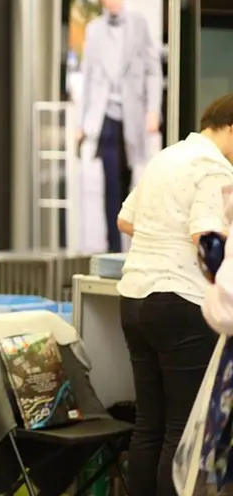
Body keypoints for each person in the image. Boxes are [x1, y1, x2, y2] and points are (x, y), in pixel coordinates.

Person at [116, 93, 233, 496]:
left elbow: (125, 219)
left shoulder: (167, 156)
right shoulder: (215, 168)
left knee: (149, 424)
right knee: (182, 430)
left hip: (133, 297)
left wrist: (163, 239)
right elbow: (206, 238)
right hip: (180, 302)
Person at [78, 0, 163, 252]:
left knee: (128, 180)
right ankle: (112, 246)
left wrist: (153, 110)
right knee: (110, 181)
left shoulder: (138, 25)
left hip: (133, 114)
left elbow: (153, 69)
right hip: (106, 116)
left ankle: (129, 244)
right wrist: (82, 122)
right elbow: (88, 77)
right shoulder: (94, 30)